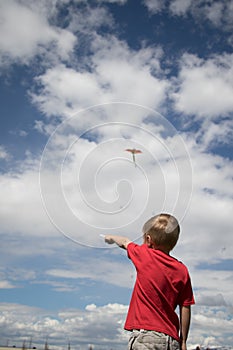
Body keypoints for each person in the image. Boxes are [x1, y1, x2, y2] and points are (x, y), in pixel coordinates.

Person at [104, 213, 195, 350]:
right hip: (172, 339)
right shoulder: (182, 270)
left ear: (148, 239)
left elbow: (124, 242)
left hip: (146, 337)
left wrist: (110, 237)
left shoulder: (144, 255)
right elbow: (185, 307)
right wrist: (183, 341)